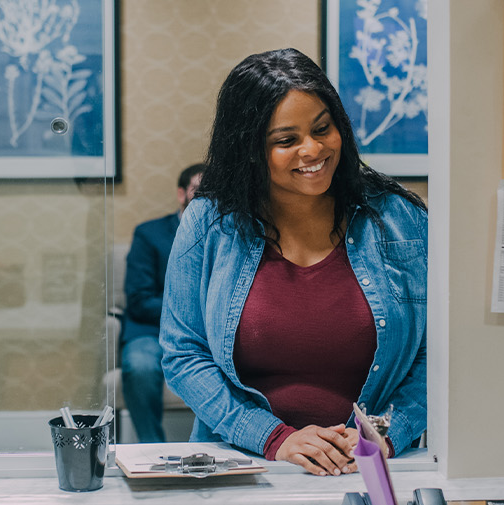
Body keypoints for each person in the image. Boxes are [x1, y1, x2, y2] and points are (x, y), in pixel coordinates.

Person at [160, 48, 428, 477]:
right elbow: (183, 354)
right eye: (286, 141)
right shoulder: (209, 222)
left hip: (368, 467)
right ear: (249, 149)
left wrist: (383, 431)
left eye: (323, 128)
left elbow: (436, 355)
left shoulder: (399, 218)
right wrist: (274, 437)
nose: (313, 149)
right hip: (242, 464)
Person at [121, 163, 205, 443]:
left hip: (209, 336)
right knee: (140, 366)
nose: (206, 198)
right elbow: (139, 299)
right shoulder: (149, 234)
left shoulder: (228, 234)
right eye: (198, 191)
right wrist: (192, 313)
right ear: (182, 194)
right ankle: (150, 447)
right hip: (151, 330)